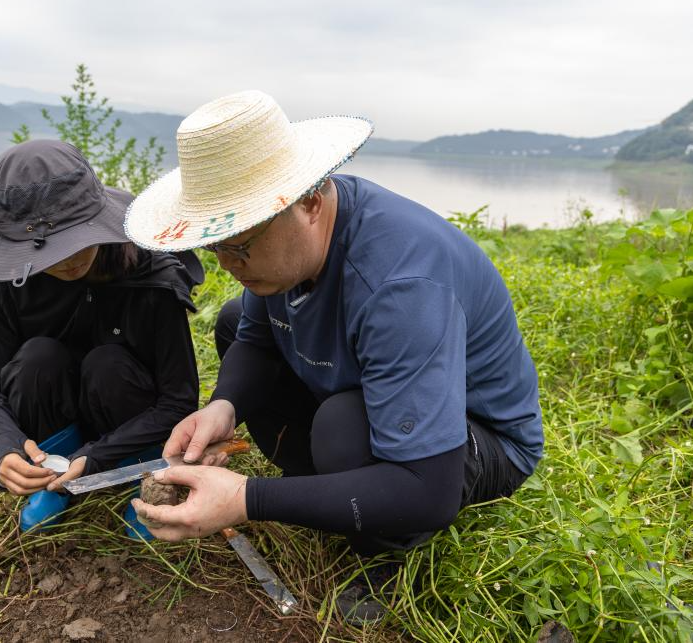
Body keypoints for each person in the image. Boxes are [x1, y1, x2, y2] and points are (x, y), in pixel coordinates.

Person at [123, 91, 544, 624]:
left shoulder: (401, 287)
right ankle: (345, 493)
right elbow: (254, 337)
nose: (229, 264)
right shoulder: (285, 246)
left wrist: (246, 500)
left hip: (478, 442)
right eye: (217, 248)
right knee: (233, 321)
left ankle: (392, 545)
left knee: (343, 427)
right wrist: (223, 406)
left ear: (310, 202)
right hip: (370, 389)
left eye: (242, 244)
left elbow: (429, 489)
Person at [0, 139, 203, 533]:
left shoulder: (150, 271)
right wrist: (5, 446)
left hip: (129, 412)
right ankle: (53, 481)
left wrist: (96, 457)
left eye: (75, 239)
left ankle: (142, 478)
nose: (67, 258)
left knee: (107, 363)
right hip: (55, 416)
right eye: (47, 250)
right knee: (37, 358)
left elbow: (179, 400)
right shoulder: (6, 282)